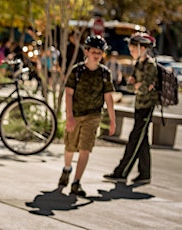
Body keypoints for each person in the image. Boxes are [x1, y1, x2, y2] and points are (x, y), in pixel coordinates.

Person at [58, 35, 116, 196]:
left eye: (99, 52)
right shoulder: (77, 71)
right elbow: (68, 94)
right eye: (93, 52)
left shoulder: (105, 73)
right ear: (86, 52)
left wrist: (112, 120)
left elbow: (108, 97)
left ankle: (76, 182)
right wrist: (69, 116)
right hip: (75, 115)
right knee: (70, 147)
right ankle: (67, 169)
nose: (96, 55)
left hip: (93, 116)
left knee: (85, 149)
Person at [103, 33, 159, 185]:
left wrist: (137, 85)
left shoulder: (150, 65)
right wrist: (136, 85)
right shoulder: (138, 64)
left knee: (135, 139)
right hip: (138, 106)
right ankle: (145, 174)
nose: (131, 51)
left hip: (147, 107)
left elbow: (144, 88)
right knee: (142, 140)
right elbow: (130, 86)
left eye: (133, 49)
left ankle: (121, 172)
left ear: (142, 48)